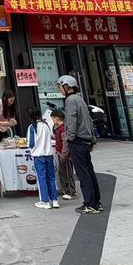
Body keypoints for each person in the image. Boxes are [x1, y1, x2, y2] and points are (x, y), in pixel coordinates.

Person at [58, 75, 102, 214]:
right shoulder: (79, 99)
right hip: (85, 140)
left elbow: (71, 120)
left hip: (77, 141)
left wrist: (69, 139)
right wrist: (92, 139)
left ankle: (90, 204)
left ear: (66, 86)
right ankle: (96, 202)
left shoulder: (70, 100)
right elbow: (88, 119)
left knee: (83, 174)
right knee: (89, 171)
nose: (60, 90)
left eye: (60, 87)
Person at [27, 109, 59, 210]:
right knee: (51, 178)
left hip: (39, 156)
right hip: (49, 154)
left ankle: (45, 201)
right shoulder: (46, 125)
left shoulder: (32, 127)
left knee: (42, 178)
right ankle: (55, 200)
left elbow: (31, 143)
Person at [51, 110, 77, 200]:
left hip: (65, 156)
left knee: (67, 174)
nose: (52, 121)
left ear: (57, 119)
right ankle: (66, 190)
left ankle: (71, 192)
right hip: (61, 154)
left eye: (52, 119)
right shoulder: (59, 129)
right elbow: (57, 137)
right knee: (63, 173)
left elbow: (65, 142)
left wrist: (64, 154)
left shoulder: (63, 129)